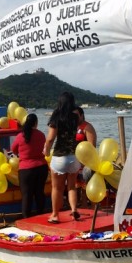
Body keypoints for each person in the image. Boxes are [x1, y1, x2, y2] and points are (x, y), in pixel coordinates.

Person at [43, 91, 83, 223]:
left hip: (60, 157)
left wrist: (46, 151)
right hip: (73, 157)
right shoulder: (75, 117)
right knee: (71, 186)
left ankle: (55, 215)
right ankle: (74, 210)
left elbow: (50, 138)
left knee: (57, 188)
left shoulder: (56, 116)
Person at [10, 113, 48, 217]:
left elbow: (13, 150)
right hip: (41, 167)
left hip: (26, 169)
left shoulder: (20, 136)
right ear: (36, 123)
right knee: (39, 193)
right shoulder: (41, 134)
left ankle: (26, 218)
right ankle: (41, 215)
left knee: (27, 196)